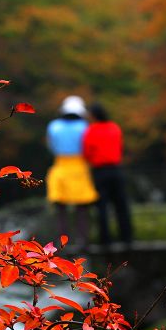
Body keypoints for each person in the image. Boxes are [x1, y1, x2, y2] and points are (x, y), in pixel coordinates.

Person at [45, 95, 98, 251]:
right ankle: (83, 241)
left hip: (60, 167)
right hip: (80, 168)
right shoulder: (85, 127)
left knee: (61, 209)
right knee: (82, 209)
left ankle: (62, 243)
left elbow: (51, 146)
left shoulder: (53, 126)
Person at [82, 103, 133, 249]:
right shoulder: (114, 128)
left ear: (94, 115)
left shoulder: (91, 130)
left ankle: (105, 239)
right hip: (116, 170)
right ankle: (127, 237)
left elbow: (87, 153)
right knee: (121, 205)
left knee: (102, 207)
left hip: (100, 171)